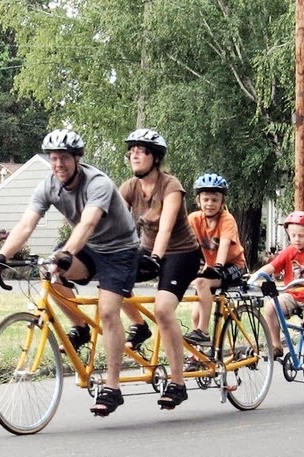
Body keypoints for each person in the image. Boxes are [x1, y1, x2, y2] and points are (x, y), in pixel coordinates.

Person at [0, 128, 139, 417]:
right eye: (53, 159)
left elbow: (88, 224)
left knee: (107, 312)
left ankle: (113, 388)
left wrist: (65, 254)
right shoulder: (47, 186)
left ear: (77, 159)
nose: (58, 165)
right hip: (89, 248)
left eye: (64, 159)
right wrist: (2, 256)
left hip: (120, 250)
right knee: (49, 272)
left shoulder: (98, 183)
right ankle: (80, 327)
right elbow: (26, 225)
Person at [119, 128, 200, 409]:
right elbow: (112, 217)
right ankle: (140, 328)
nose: (135, 155)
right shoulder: (130, 187)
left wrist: (154, 256)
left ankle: (177, 382)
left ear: (155, 158)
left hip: (182, 253)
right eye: (132, 151)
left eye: (141, 150)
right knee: (114, 284)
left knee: (163, 309)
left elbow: (166, 226)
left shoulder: (171, 185)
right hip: (149, 250)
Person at [248, 210, 304, 383]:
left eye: (301, 235)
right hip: (292, 294)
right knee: (271, 306)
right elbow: (272, 267)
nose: (297, 239)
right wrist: (254, 276)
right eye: (293, 235)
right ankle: (276, 345)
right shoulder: (288, 252)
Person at [184, 173, 247, 346]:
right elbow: (186, 244)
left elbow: (224, 244)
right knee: (195, 315)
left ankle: (203, 333)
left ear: (222, 202)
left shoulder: (226, 219)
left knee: (202, 283)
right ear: (198, 201)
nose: (210, 204)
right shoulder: (194, 219)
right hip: (212, 268)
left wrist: (217, 266)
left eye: (214, 199)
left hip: (234, 265)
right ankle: (197, 359)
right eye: (206, 199)